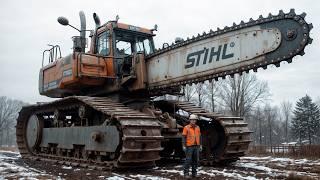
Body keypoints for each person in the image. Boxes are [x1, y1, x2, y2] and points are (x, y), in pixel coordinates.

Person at [182, 114, 202, 178]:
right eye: (192, 120)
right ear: (190, 120)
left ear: (196, 120)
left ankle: (194, 173)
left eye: (194, 120)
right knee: (188, 160)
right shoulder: (186, 127)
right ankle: (186, 174)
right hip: (189, 146)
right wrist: (184, 145)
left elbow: (200, 137)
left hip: (196, 146)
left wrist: (200, 145)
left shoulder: (198, 127)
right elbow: (183, 137)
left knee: (195, 160)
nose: (193, 121)